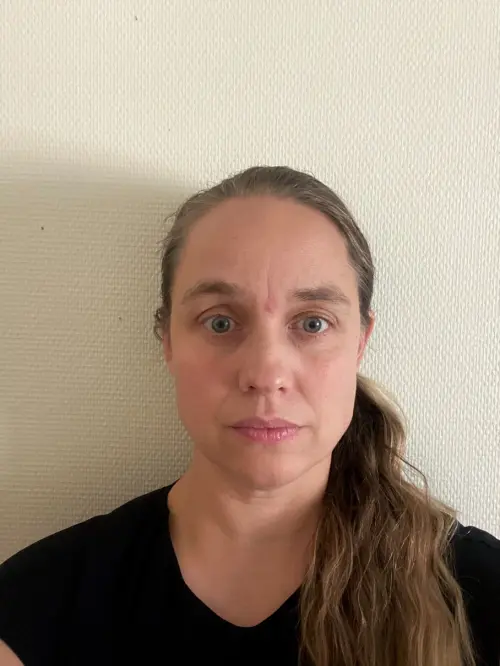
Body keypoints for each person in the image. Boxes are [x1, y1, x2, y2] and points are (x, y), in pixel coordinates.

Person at [0, 166, 499, 666]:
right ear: (168, 341)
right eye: (220, 322)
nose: (265, 373)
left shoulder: (481, 594)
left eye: (313, 323)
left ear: (360, 342)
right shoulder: (35, 607)